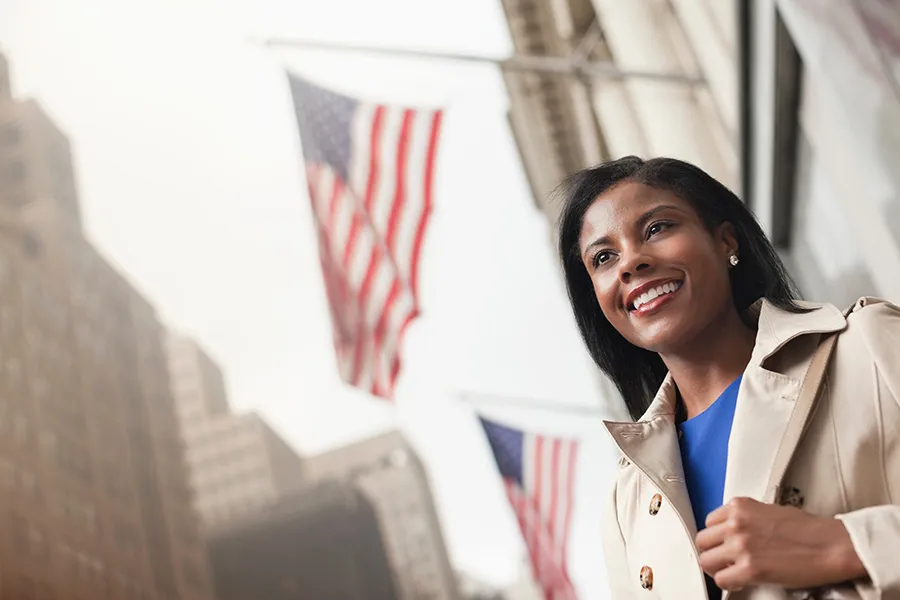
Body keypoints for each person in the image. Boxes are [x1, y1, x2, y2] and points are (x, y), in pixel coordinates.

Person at [556, 156, 900, 599]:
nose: (630, 262)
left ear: (725, 241)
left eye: (657, 228)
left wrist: (847, 547)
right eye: (603, 257)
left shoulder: (869, 346)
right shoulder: (629, 501)